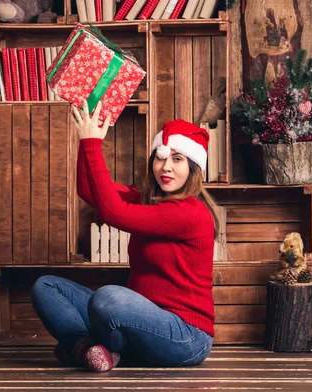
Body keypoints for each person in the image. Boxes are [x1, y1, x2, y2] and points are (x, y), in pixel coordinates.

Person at [31, 101, 219, 372]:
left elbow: (113, 213)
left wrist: (92, 145)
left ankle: (92, 348)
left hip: (185, 336)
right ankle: (89, 349)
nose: (166, 167)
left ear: (193, 167)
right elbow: (89, 190)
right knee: (46, 287)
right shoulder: (150, 202)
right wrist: (87, 140)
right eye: (160, 157)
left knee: (109, 299)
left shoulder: (191, 214)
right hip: (138, 321)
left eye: (177, 159)